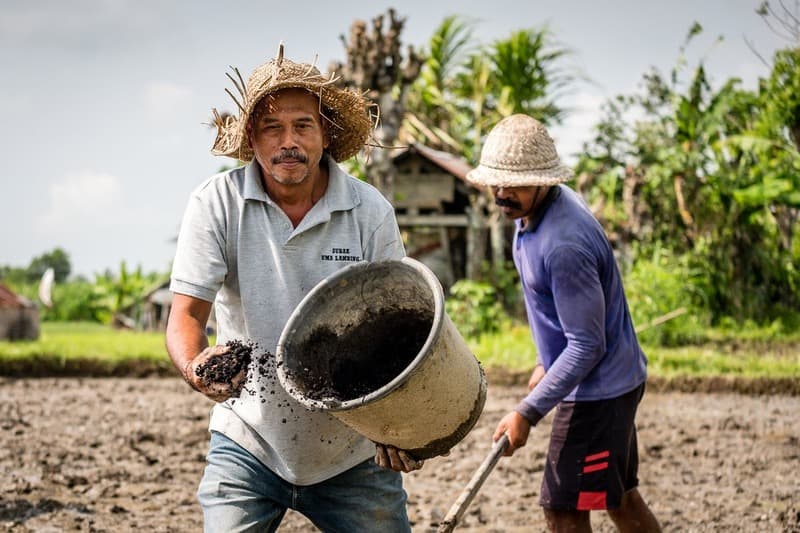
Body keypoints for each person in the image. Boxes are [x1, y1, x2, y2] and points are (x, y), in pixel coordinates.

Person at [166, 44, 420, 532]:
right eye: (272, 128)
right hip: (249, 439)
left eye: (302, 125)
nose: (289, 141)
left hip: (351, 451)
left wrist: (399, 423)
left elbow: (400, 328)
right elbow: (187, 316)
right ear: (251, 140)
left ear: (325, 134)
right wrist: (197, 367)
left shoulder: (368, 212)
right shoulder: (217, 203)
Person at [466, 114, 661, 532]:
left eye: (514, 184)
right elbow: (564, 316)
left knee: (563, 509)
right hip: (611, 382)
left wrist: (527, 412)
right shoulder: (538, 211)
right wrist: (545, 359)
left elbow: (588, 345)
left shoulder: (564, 244)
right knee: (620, 499)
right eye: (496, 183)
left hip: (597, 395)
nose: (502, 193)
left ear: (543, 181)